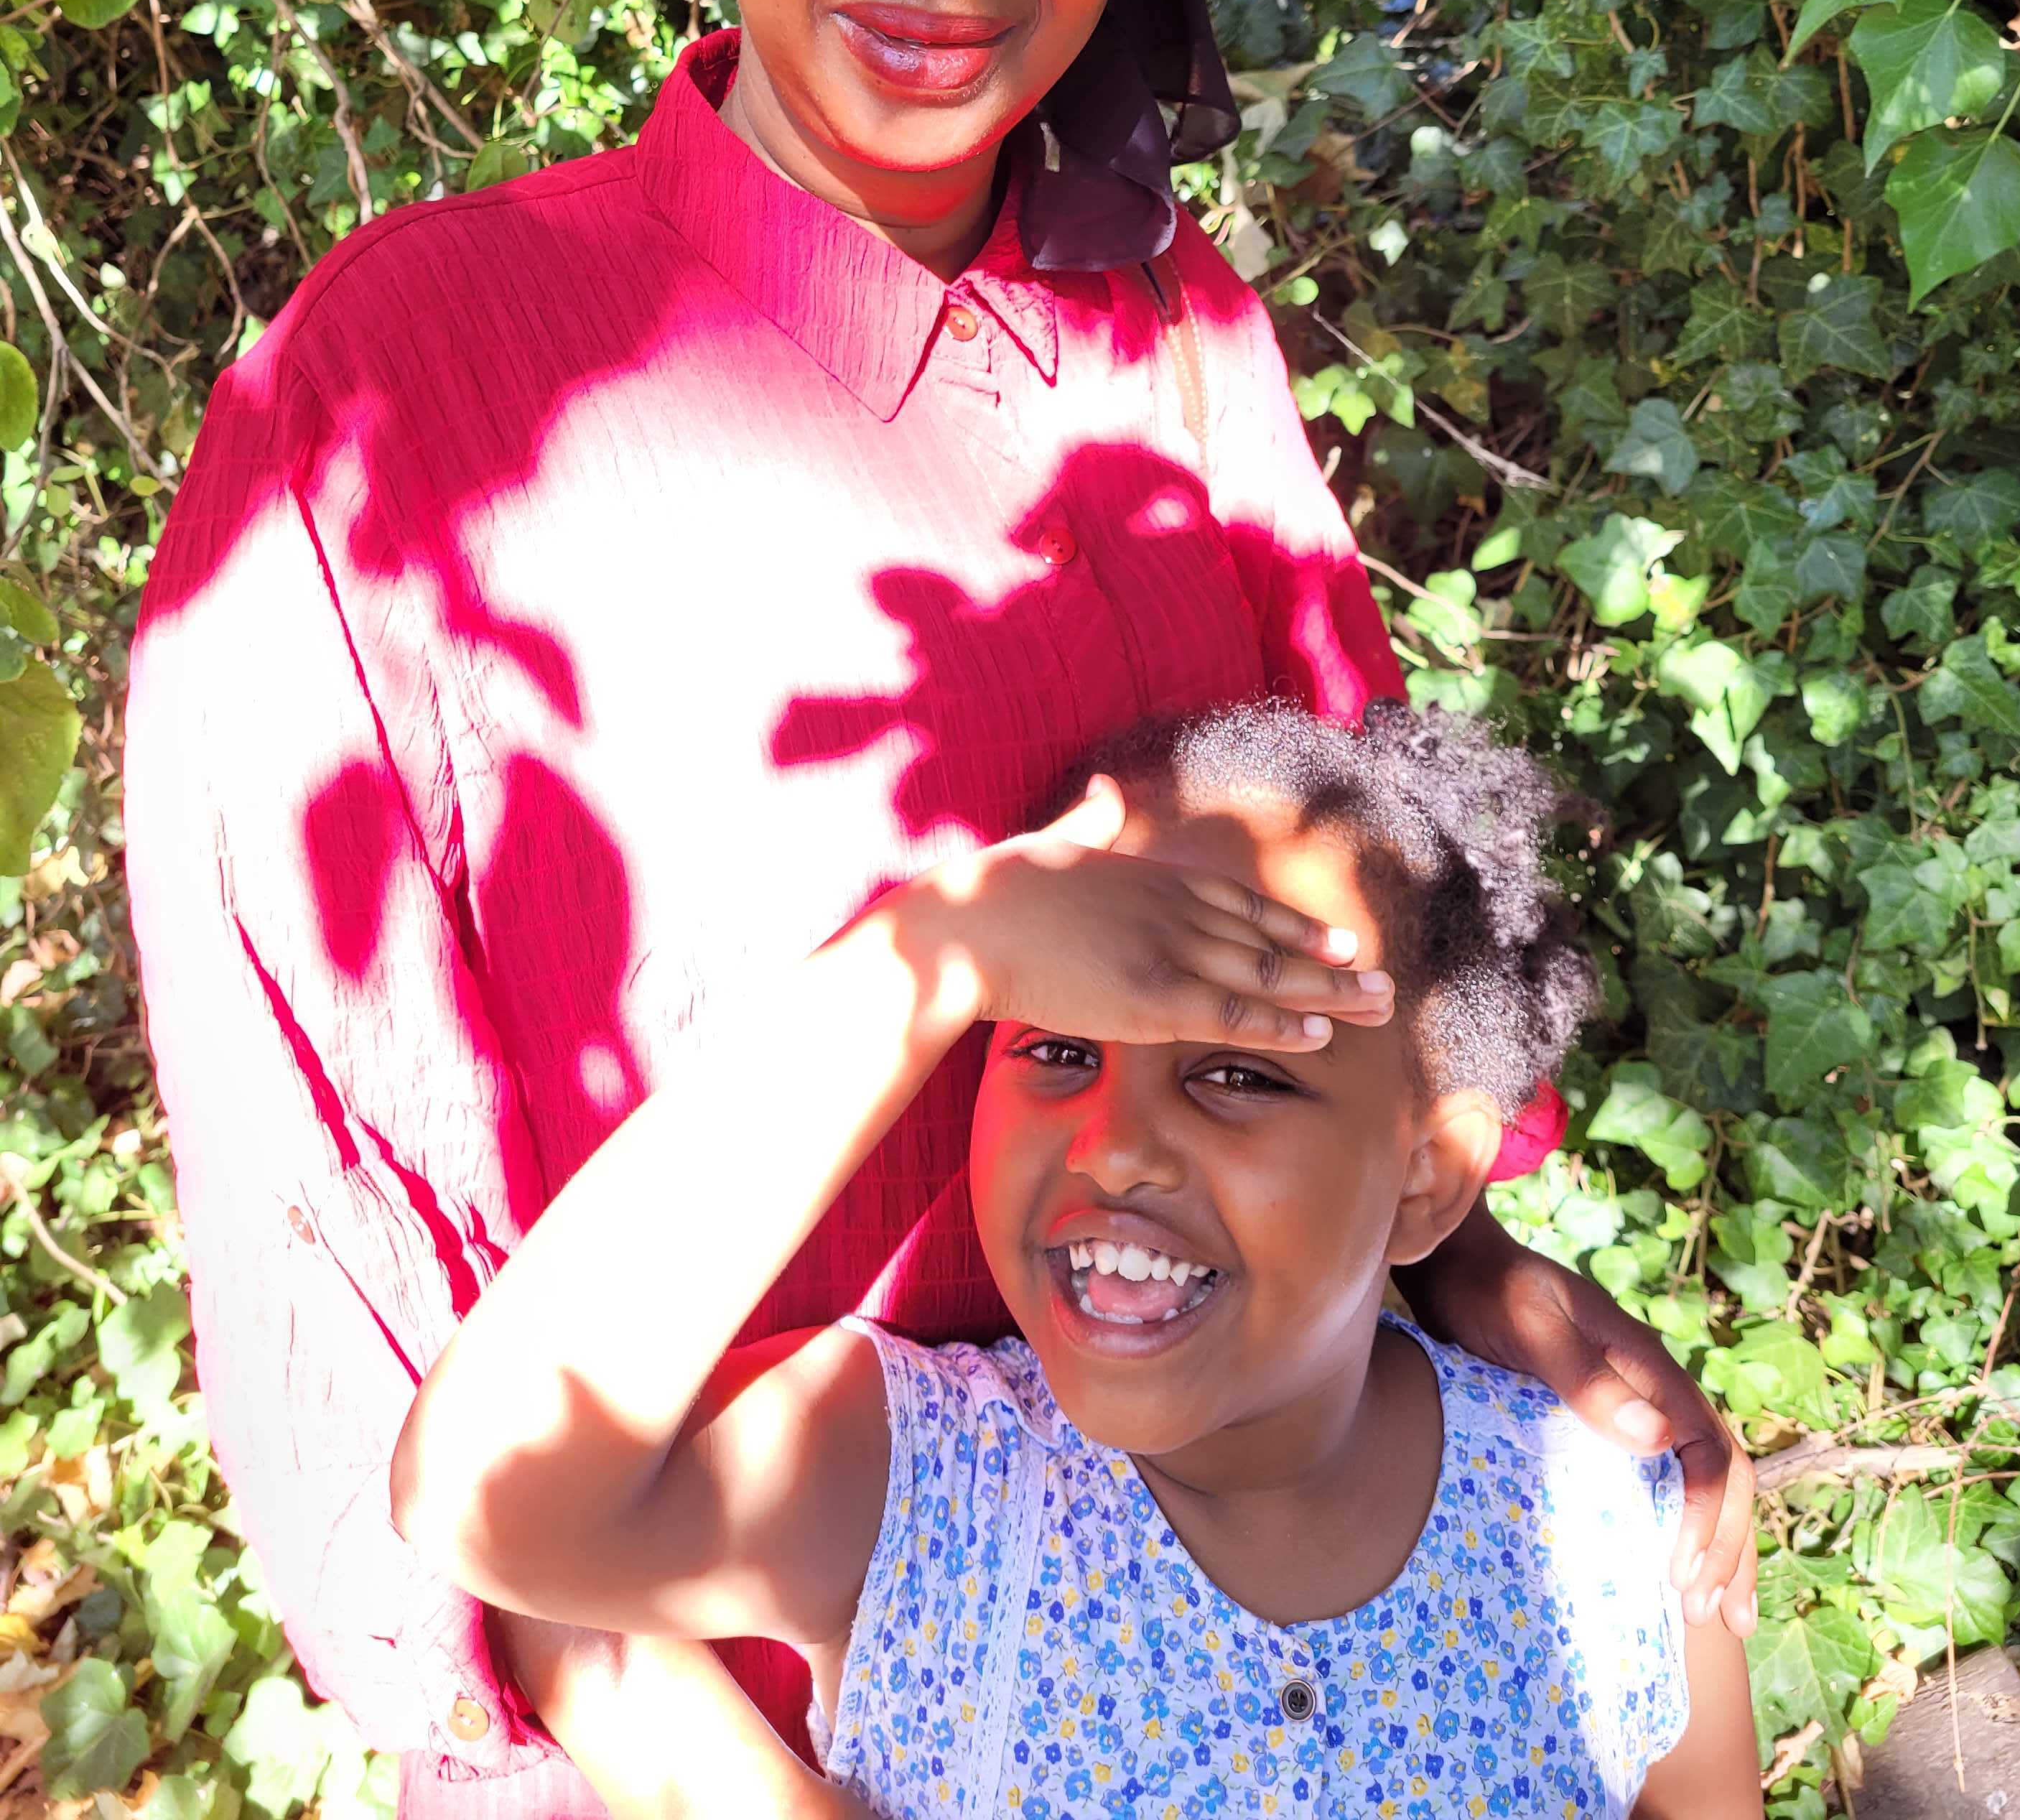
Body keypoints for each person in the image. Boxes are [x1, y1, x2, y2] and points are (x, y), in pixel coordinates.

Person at [124, 0, 1753, 1820]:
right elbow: (383, 1365)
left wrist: (1496, 1285)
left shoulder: (1178, 343)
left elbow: (1358, 958)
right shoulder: (399, 404)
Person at [391, 700, 1762, 1819]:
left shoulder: (1618, 1535)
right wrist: (938, 952)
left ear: (1430, 1173)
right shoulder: (926, 1487)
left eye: (1238, 1071)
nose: (1114, 1148)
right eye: (1051, 1043)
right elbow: (489, 1505)